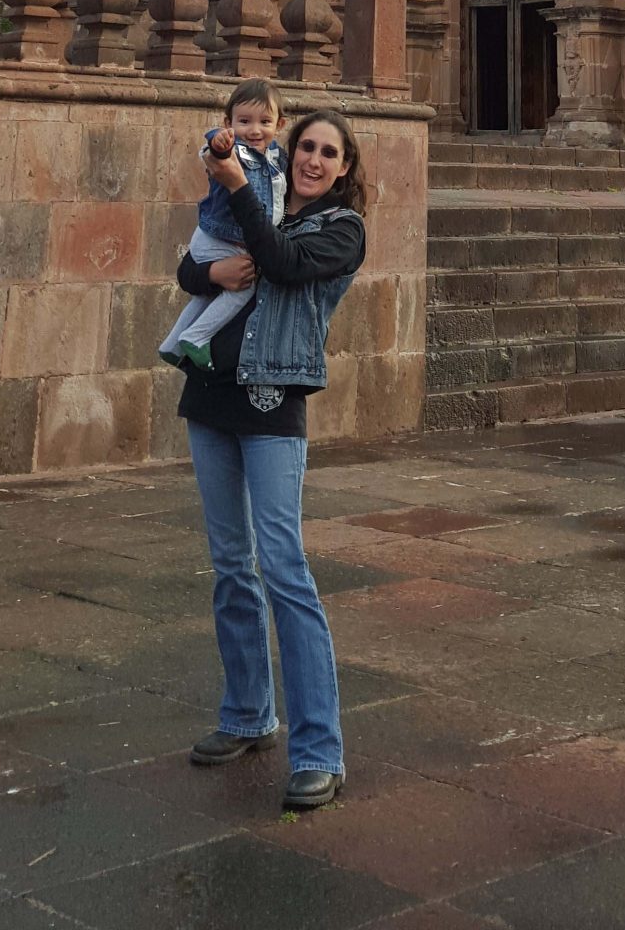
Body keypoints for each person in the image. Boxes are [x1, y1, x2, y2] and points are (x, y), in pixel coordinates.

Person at [177, 108, 367, 813]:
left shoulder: (340, 230)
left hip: (269, 405)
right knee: (230, 566)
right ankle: (248, 713)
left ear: (345, 167)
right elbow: (187, 268)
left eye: (328, 152)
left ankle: (320, 750)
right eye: (305, 148)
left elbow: (283, 266)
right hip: (209, 398)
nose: (314, 159)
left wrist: (237, 189)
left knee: (284, 569)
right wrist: (211, 268)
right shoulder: (265, 202)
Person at [158, 78, 287, 371]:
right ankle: (197, 336)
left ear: (280, 125)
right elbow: (213, 152)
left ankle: (173, 343)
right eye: (244, 121)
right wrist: (219, 145)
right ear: (229, 122)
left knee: (209, 292)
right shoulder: (235, 149)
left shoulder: (276, 158)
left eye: (265, 121)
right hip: (218, 238)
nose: (254, 130)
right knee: (242, 288)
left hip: (223, 239)